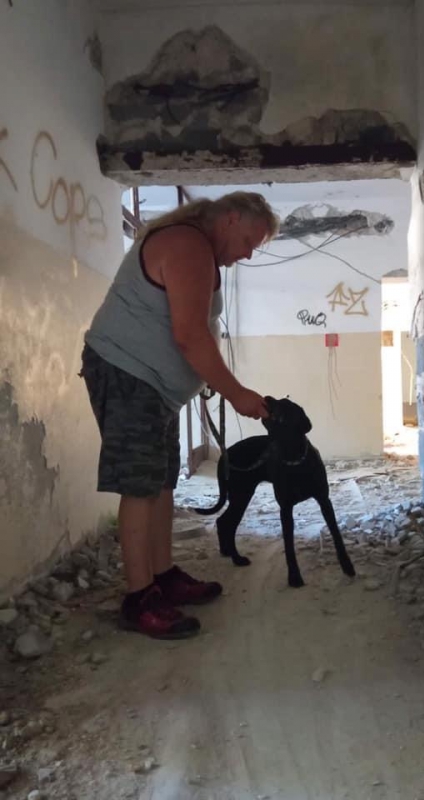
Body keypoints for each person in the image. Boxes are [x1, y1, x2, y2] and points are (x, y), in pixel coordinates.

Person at [80, 191, 279, 639]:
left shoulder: (198, 248)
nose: (248, 254)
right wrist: (235, 393)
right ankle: (139, 599)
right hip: (129, 375)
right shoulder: (187, 245)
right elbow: (189, 335)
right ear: (230, 219)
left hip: (154, 387)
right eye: (249, 241)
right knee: (140, 485)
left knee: (162, 481)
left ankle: (162, 575)